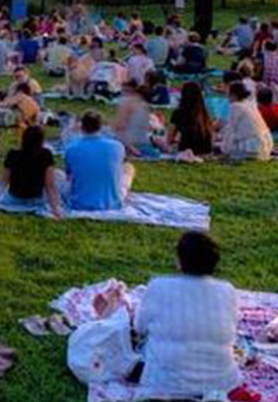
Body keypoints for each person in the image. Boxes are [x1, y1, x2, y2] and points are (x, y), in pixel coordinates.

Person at [135, 232, 241, 400]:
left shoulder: (158, 286)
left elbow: (139, 328)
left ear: (179, 260)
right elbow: (232, 327)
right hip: (221, 381)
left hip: (164, 383)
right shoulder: (227, 290)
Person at [63, 112, 134, 211]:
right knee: (129, 167)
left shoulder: (71, 148)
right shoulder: (117, 146)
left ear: (82, 127)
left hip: (78, 202)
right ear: (100, 127)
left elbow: (68, 176)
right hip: (112, 203)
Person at [0, 125, 65, 216]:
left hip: (14, 197)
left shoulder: (13, 154)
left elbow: (3, 180)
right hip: (36, 199)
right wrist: (56, 207)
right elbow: (50, 185)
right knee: (59, 175)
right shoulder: (45, 155)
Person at [220, 82, 273, 161]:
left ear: (233, 95)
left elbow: (230, 130)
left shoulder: (236, 106)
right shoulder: (251, 104)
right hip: (266, 143)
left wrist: (224, 148)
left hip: (253, 147)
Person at [165, 82, 215, 155]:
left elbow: (169, 139)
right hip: (206, 150)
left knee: (158, 141)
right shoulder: (204, 113)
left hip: (187, 150)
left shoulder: (179, 113)